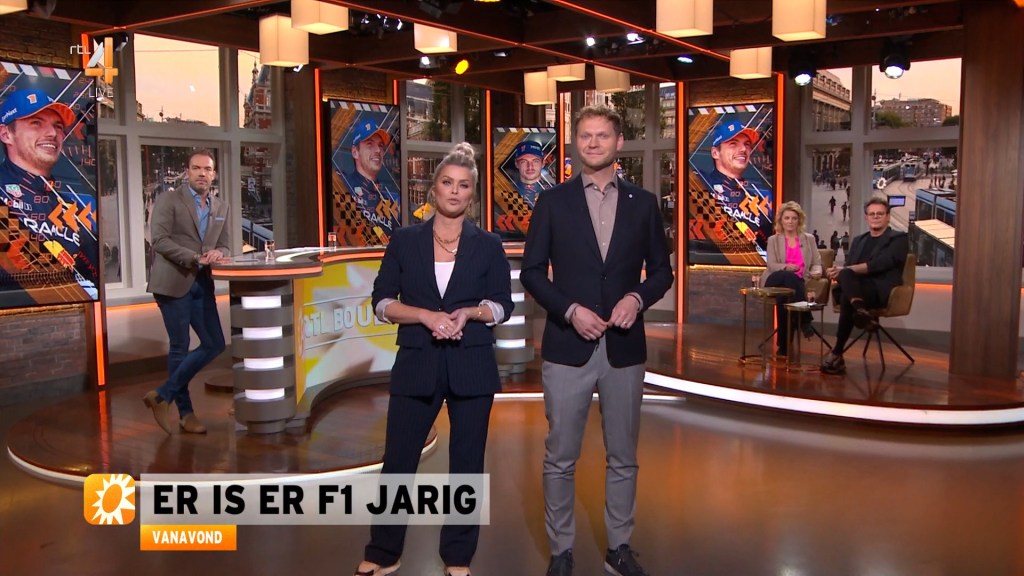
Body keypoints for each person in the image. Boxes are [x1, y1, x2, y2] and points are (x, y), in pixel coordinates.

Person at [521, 106, 673, 576]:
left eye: (601, 135)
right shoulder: (552, 202)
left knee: (623, 456)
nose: (592, 143)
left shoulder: (643, 204)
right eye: (585, 135)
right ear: (576, 142)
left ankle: (618, 548)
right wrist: (570, 310)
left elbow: (662, 272)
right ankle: (561, 551)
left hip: (624, 349)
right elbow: (532, 273)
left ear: (618, 142)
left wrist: (636, 298)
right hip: (568, 346)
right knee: (560, 456)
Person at [354, 142, 513, 576]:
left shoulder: (488, 244)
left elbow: (503, 304)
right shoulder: (405, 241)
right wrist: (424, 316)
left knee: (467, 464)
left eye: (463, 185)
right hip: (417, 361)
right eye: (447, 182)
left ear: (472, 193)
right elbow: (381, 301)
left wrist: (470, 313)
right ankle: (383, 552)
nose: (454, 191)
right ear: (434, 188)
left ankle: (458, 556)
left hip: (471, 364)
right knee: (398, 461)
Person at [143, 149, 230, 435]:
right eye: (196, 168)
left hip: (202, 284)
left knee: (215, 343)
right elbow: (159, 240)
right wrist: (194, 258)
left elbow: (225, 244)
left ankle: (162, 395)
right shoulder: (169, 200)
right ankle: (185, 413)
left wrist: (219, 252)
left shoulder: (221, 207)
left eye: (207, 169)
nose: (202, 173)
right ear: (187, 172)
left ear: (214, 174)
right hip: (172, 282)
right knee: (179, 347)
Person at [0, 88, 98, 306]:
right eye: (36, 123)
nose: (52, 133)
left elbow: (92, 275)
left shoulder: (71, 207)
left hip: (71, 316)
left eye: (58, 126)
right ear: (6, 134)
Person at [821, 197, 909, 374]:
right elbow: (849, 267)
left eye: (880, 214)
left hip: (881, 290)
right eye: (872, 214)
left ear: (887, 217)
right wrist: (839, 272)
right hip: (857, 289)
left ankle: (837, 351)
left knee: (847, 288)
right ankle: (861, 312)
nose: (875, 217)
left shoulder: (898, 239)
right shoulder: (859, 240)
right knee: (847, 285)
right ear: (866, 217)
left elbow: (881, 264)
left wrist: (844, 271)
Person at [760, 201, 822, 356]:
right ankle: (805, 319)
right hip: (774, 278)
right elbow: (771, 265)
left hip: (796, 284)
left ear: (799, 220)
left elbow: (817, 263)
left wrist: (817, 272)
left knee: (785, 297)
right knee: (788, 276)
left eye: (794, 218)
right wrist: (786, 267)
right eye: (787, 218)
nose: (790, 221)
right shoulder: (774, 240)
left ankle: (784, 346)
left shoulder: (809, 239)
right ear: (781, 220)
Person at [702, 119, 773, 246]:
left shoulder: (761, 197)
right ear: (715, 153)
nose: (743, 149)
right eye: (733, 144)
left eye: (747, 144)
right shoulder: (700, 183)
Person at [341, 118, 400, 237]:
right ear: (355, 152)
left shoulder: (392, 198)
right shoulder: (342, 187)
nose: (378, 150)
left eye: (380, 145)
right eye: (369, 144)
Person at [513, 139, 546, 208]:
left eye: (535, 161)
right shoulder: (507, 190)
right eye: (524, 161)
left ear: (543, 163)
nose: (530, 166)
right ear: (516, 164)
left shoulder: (555, 192)